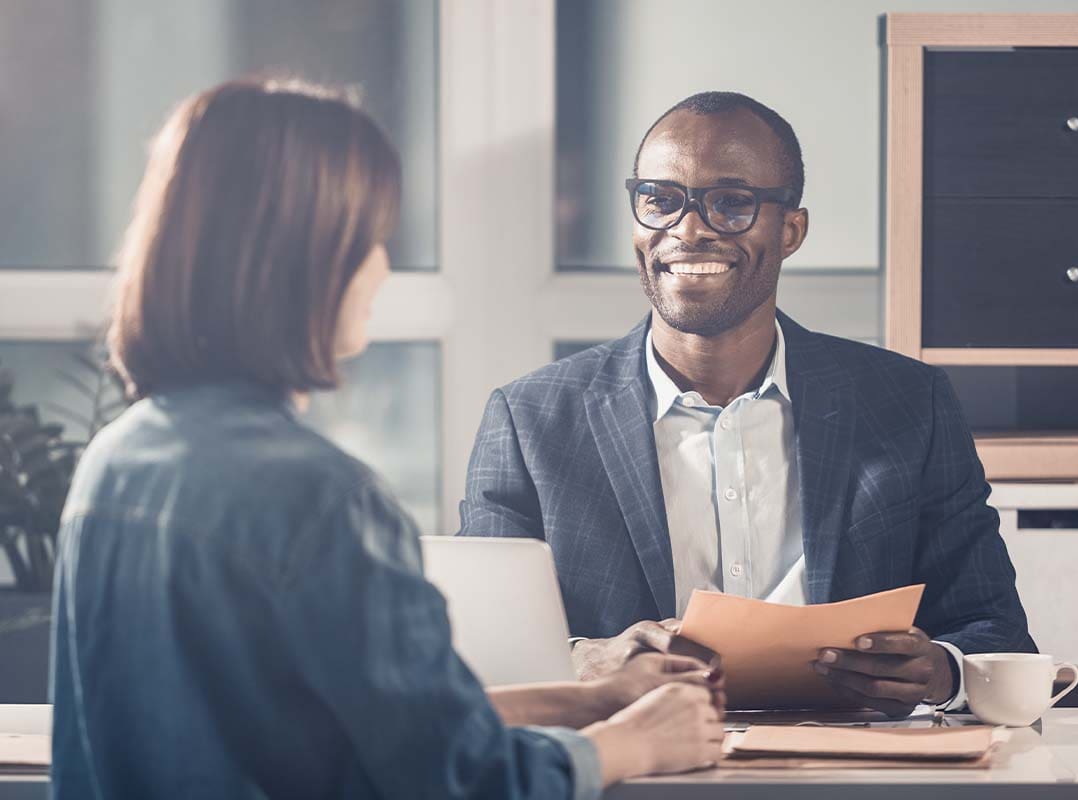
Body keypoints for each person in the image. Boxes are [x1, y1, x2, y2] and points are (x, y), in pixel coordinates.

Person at [49, 79, 725, 800]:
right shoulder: (315, 496)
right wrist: (627, 747)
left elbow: (335, 728)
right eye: (370, 241)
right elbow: (457, 780)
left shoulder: (116, 462)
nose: (382, 270)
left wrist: (589, 704)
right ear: (304, 263)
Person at [459, 91, 1035, 718]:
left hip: (852, 772)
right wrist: (580, 660)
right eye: (660, 200)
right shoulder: (530, 421)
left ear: (790, 230)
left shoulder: (909, 403)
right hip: (636, 771)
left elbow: (995, 631)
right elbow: (480, 658)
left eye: (730, 203)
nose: (687, 229)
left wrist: (938, 671)